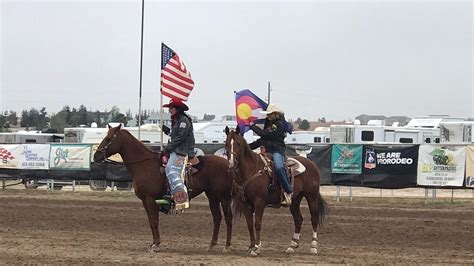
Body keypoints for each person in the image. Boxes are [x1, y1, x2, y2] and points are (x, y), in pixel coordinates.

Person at [248, 104, 293, 206]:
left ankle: (288, 191)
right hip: (267, 152)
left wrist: (252, 126)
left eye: (270, 114)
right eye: (268, 114)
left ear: (275, 115)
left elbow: (264, 134)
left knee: (279, 167)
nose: (268, 116)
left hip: (277, 151)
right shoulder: (269, 125)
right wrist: (246, 147)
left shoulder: (278, 125)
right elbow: (261, 140)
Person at [161, 98, 195, 208]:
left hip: (182, 151)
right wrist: (166, 130)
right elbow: (175, 135)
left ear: (177, 109)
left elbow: (180, 138)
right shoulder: (177, 121)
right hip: (176, 149)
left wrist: (168, 148)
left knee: (170, 169)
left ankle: (180, 197)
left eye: (171, 108)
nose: (169, 110)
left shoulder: (184, 121)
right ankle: (168, 193)